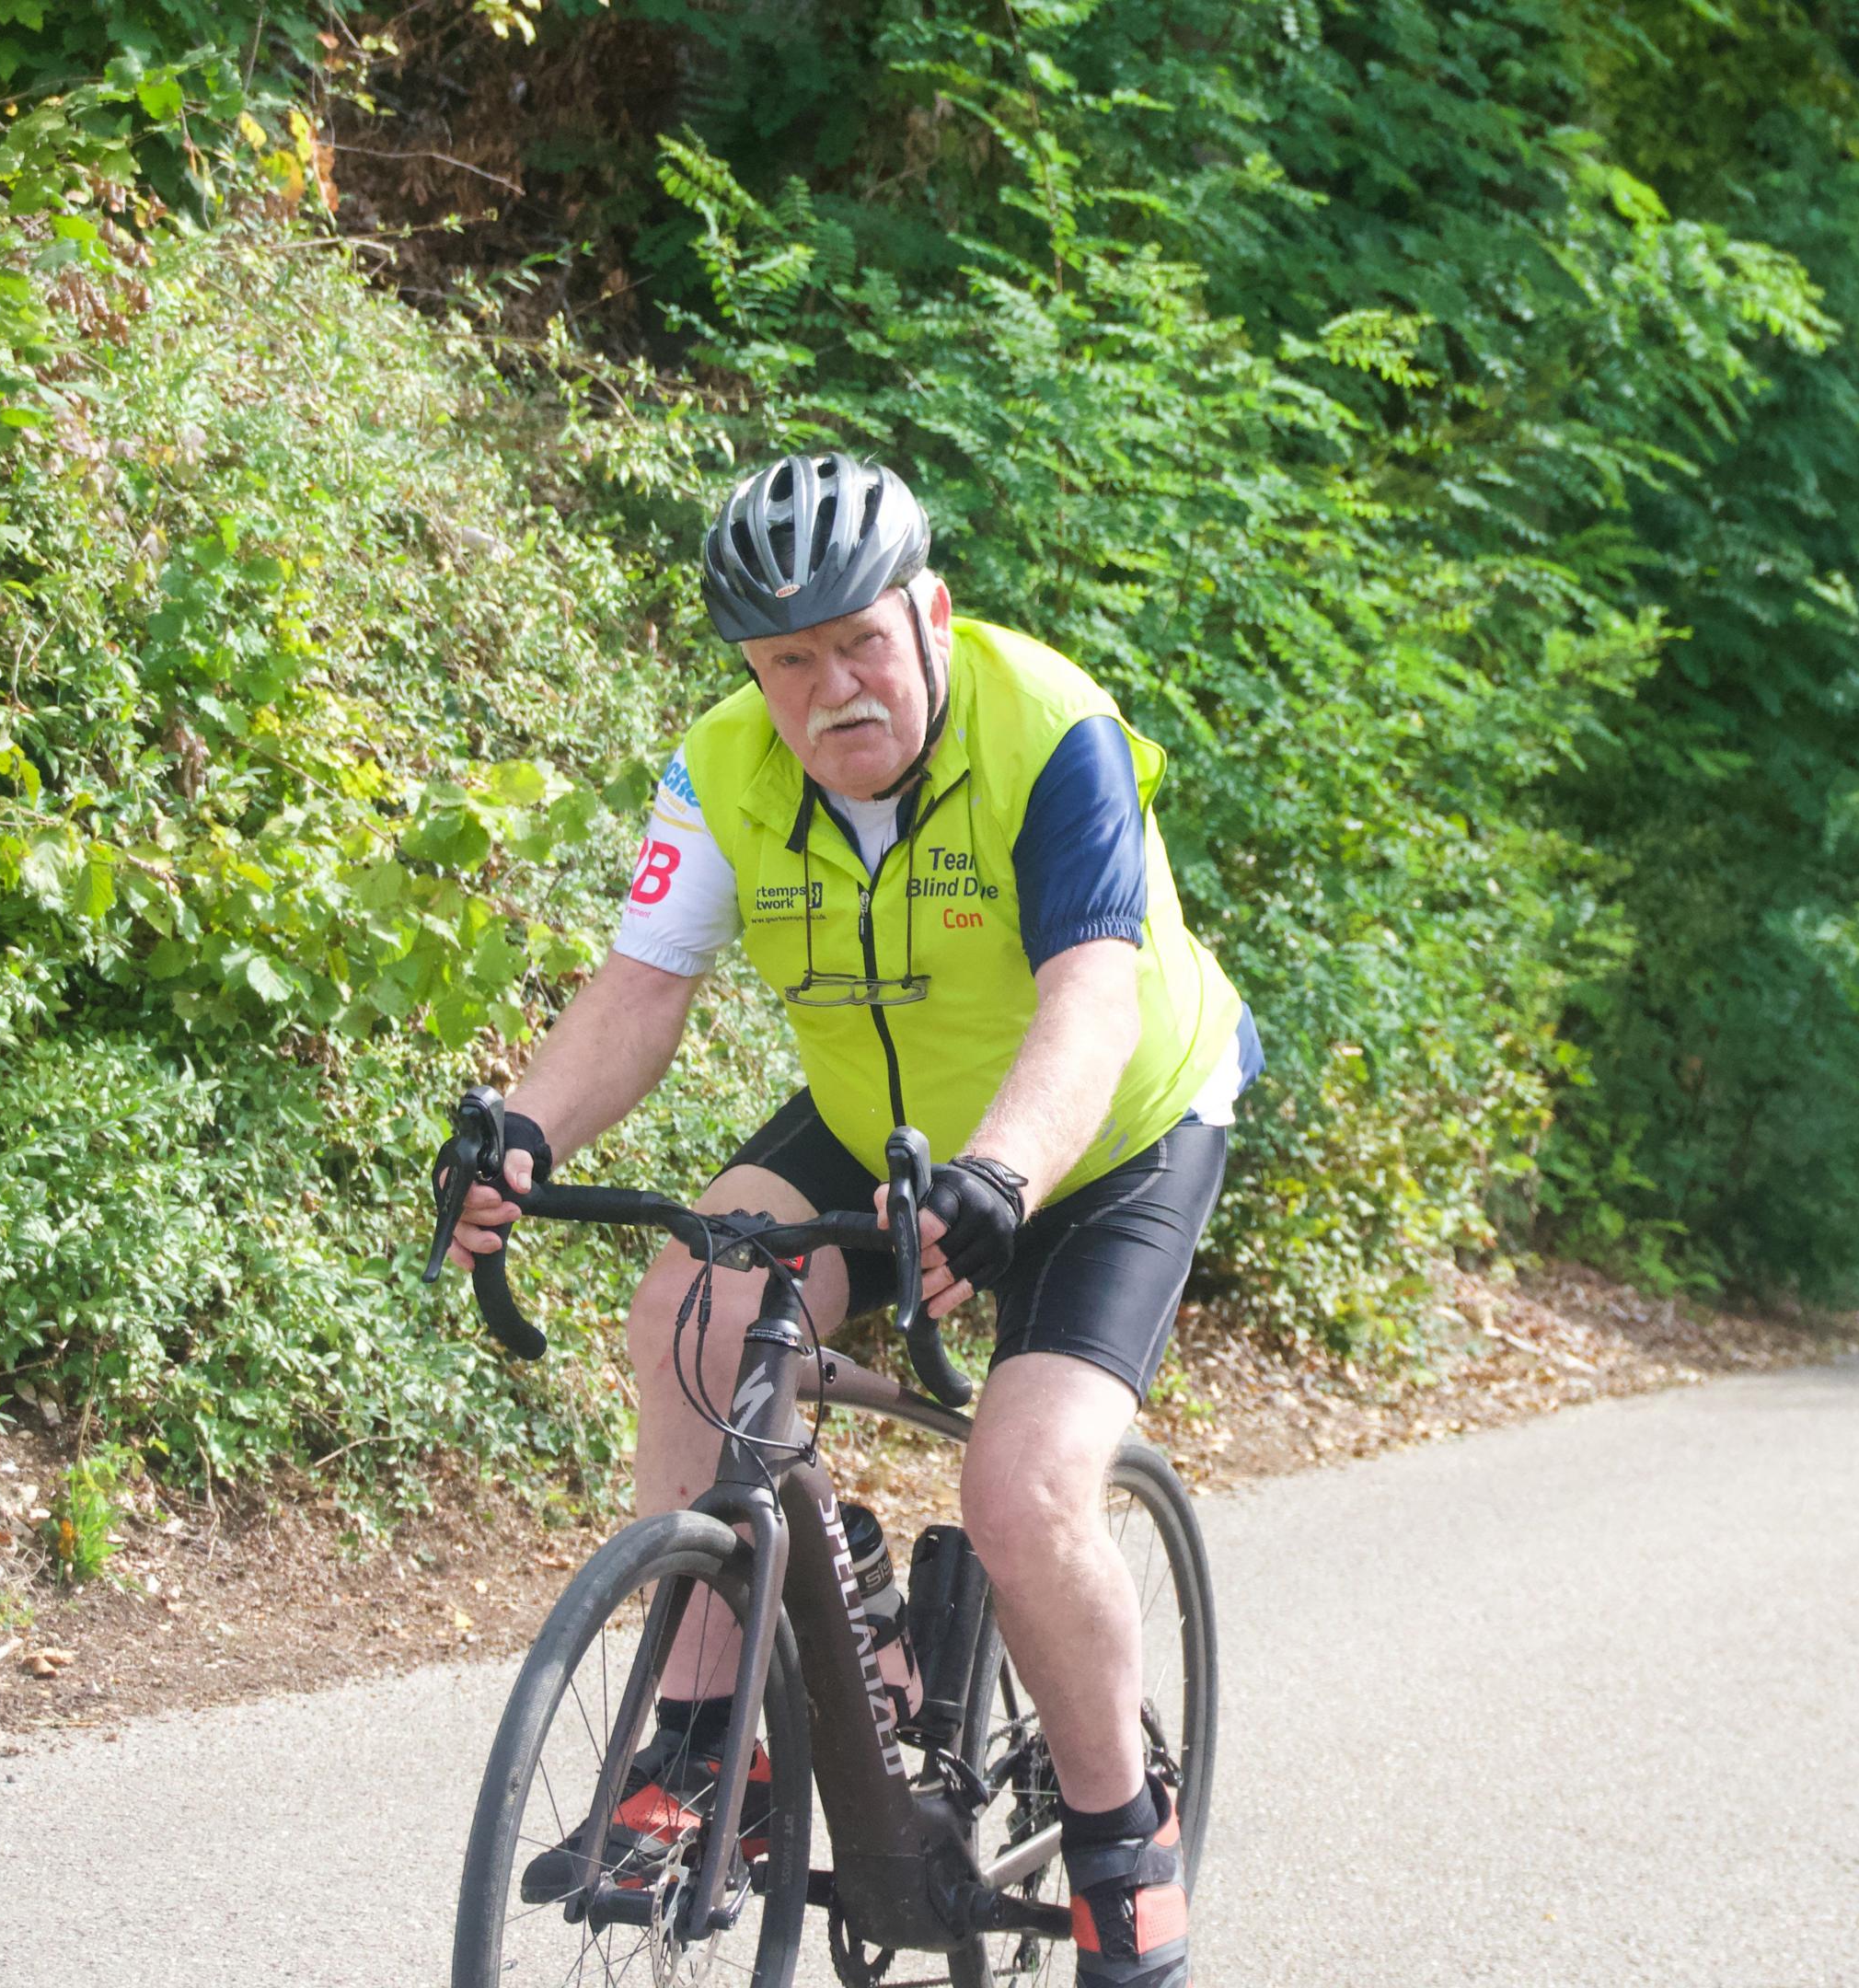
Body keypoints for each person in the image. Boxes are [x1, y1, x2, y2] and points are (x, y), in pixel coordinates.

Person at [446, 452, 1253, 1988]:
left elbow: (1090, 1001)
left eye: (858, 642)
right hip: (889, 1111)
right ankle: (707, 1752)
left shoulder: (1052, 731)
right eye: (787, 662)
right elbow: (637, 994)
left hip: (1111, 1126)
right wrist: (527, 1130)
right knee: (693, 1308)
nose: (829, 691)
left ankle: (1117, 1840)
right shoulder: (722, 769)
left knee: (1024, 1491)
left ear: (930, 615)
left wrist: (1004, 1174)